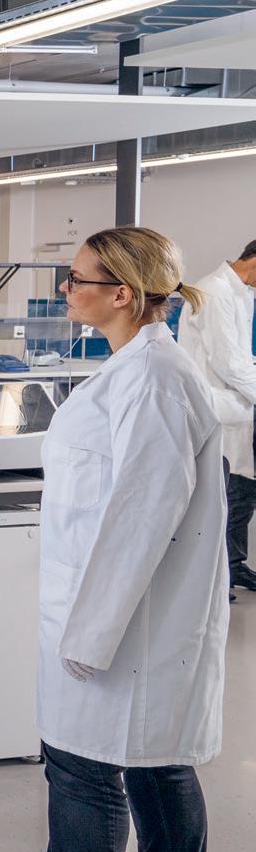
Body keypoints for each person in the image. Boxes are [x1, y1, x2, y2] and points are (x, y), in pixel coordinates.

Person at [30, 227, 225, 852]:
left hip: (118, 624)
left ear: (121, 293)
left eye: (75, 278)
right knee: (156, 762)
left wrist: (90, 635)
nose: (63, 289)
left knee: (83, 777)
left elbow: (140, 517)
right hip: (122, 620)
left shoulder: (153, 378)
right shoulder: (132, 368)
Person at [174, 237, 256, 593]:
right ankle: (214, 576)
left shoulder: (241, 293)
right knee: (223, 493)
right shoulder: (215, 292)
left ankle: (233, 566)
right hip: (216, 406)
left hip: (236, 405)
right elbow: (228, 362)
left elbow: (241, 357)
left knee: (243, 489)